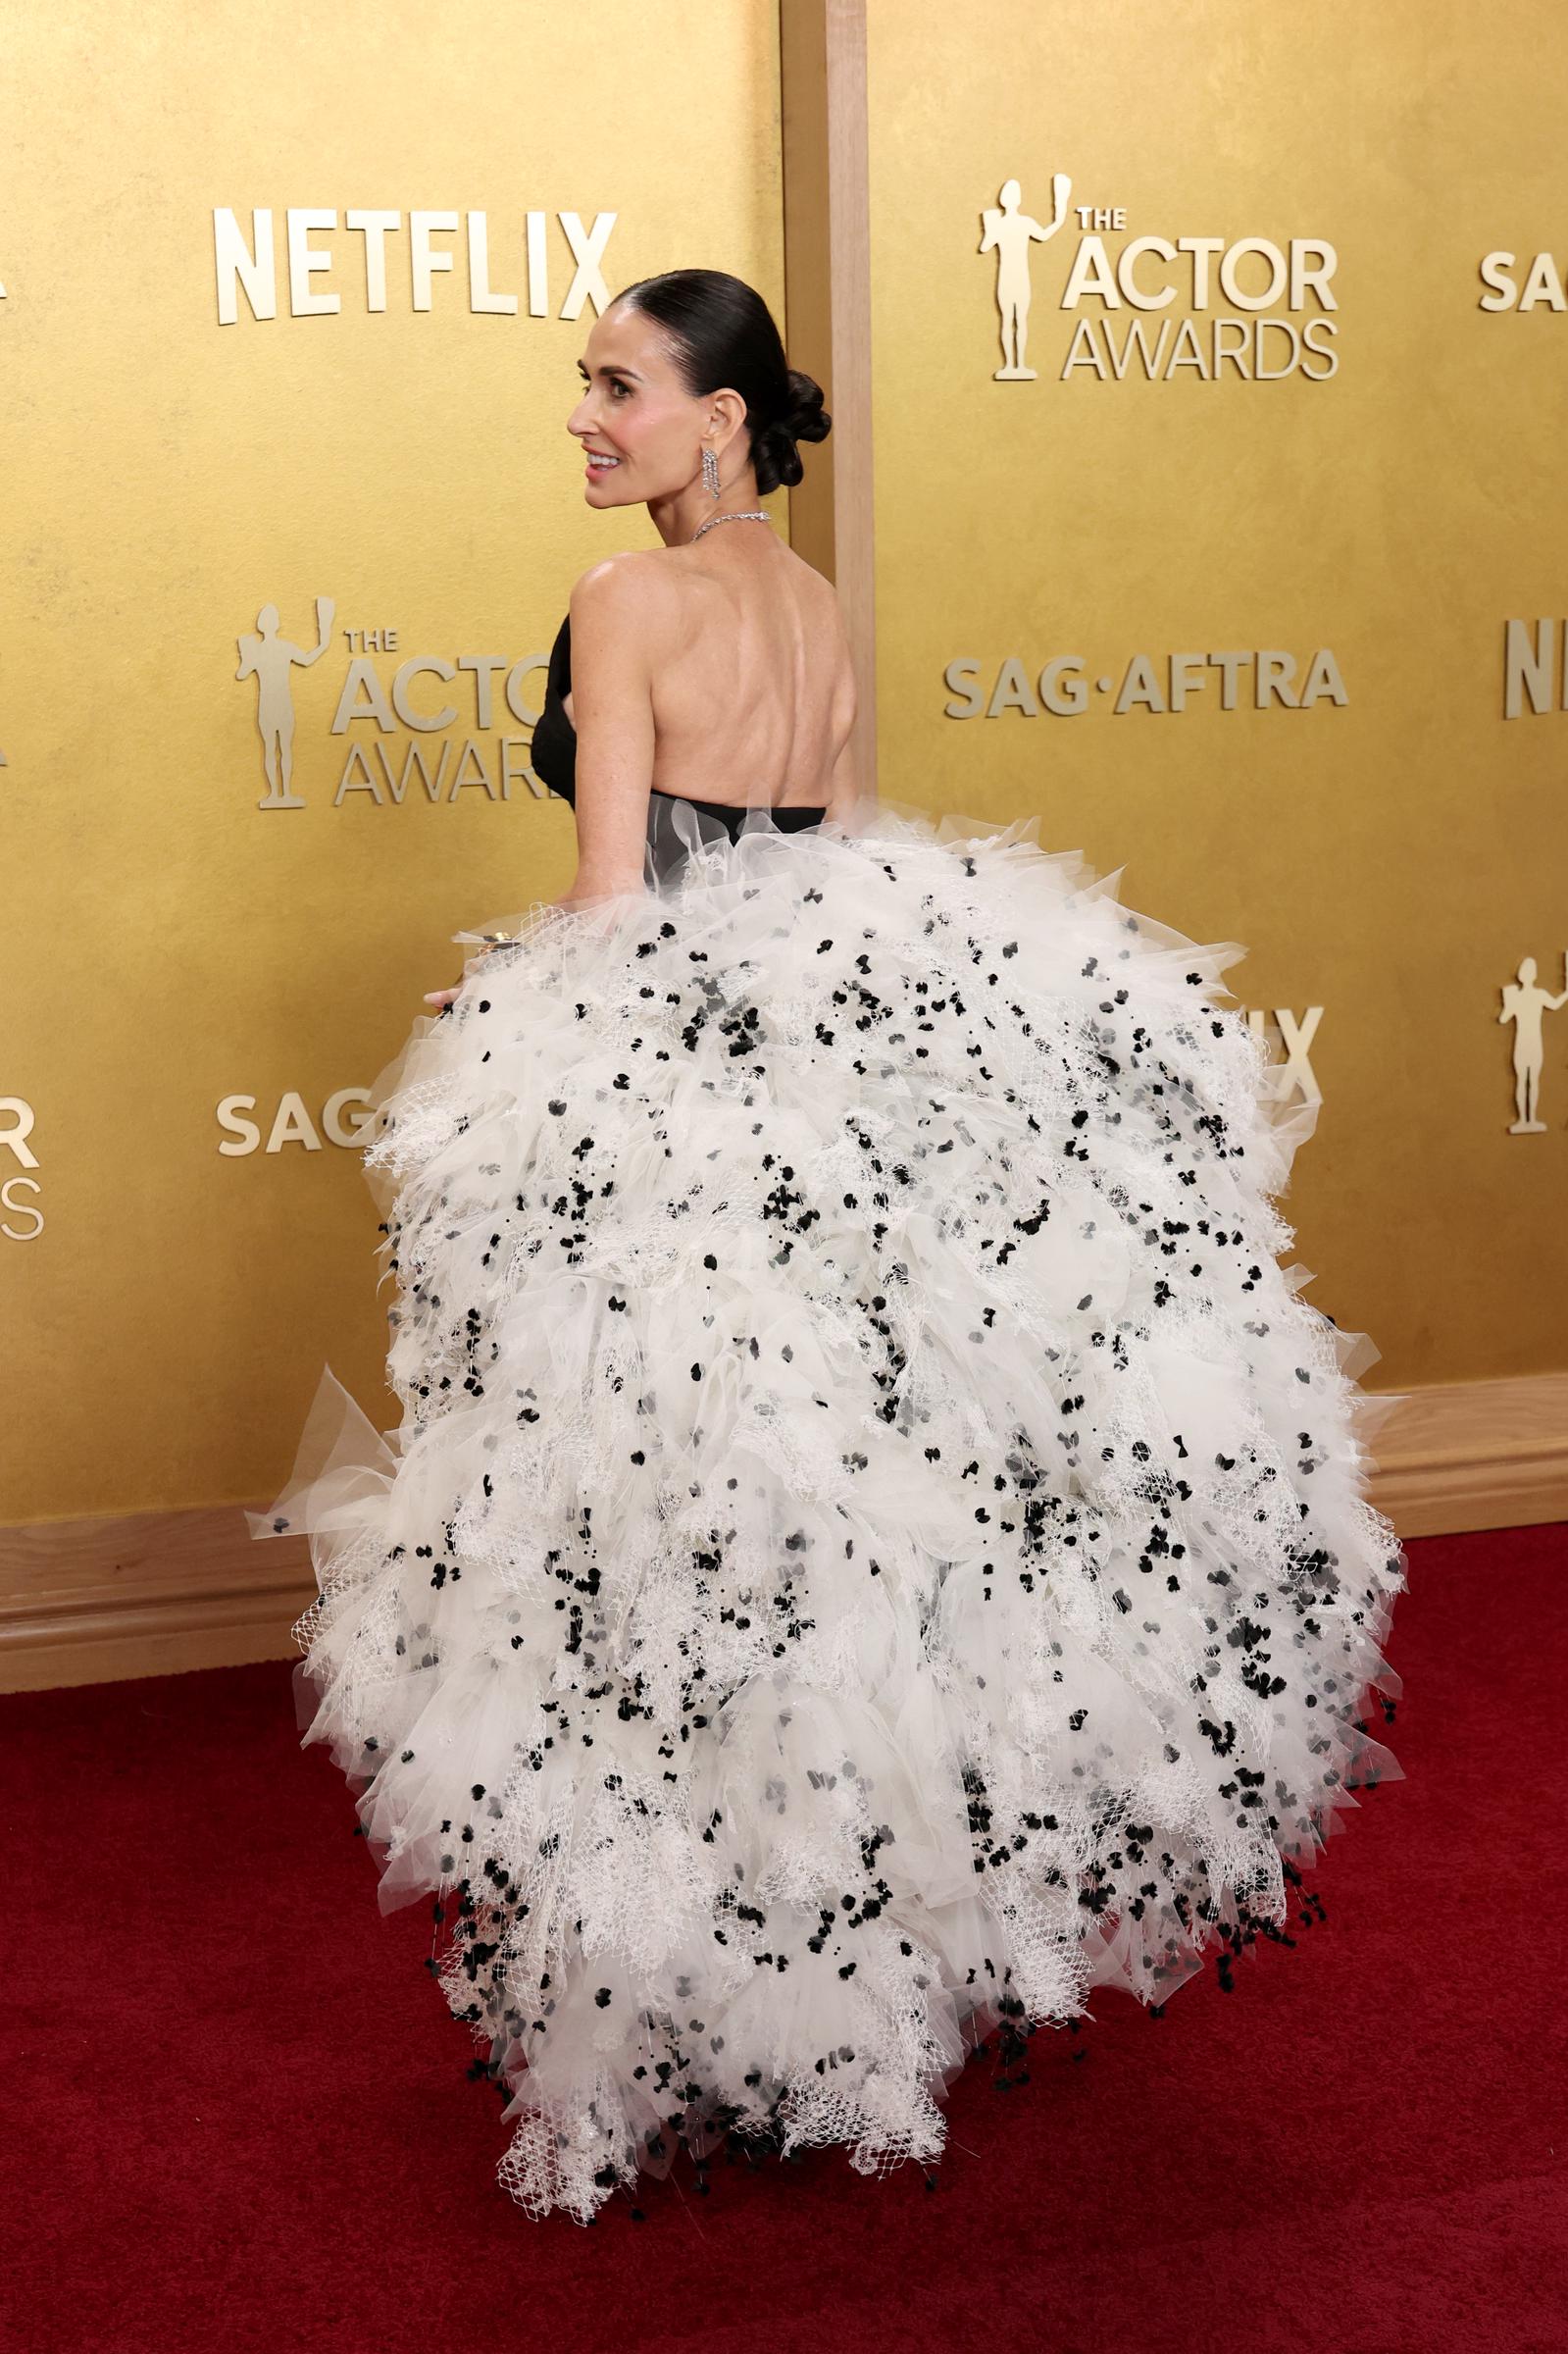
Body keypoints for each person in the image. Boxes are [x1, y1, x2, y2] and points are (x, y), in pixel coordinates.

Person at [248, 267, 1408, 2228]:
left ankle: (702, 2003)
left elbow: (617, 897)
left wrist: (539, 1082)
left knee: (661, 1564)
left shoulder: (622, 600)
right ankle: (855, 2006)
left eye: (614, 388)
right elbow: (847, 878)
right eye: (580, 387)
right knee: (849, 1556)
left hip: (677, 1120)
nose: (582, 421)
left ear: (716, 416)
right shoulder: (809, 606)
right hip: (835, 1113)